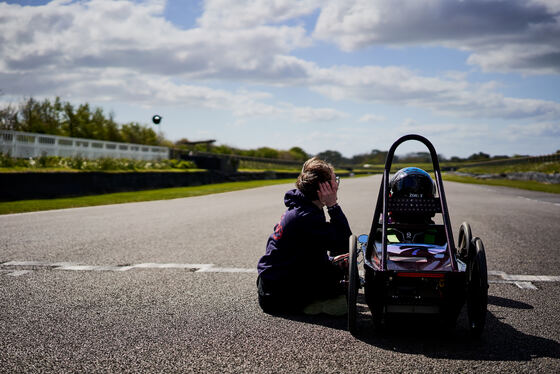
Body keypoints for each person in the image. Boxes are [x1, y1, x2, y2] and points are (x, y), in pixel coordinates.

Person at [257, 157, 352, 315]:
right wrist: (333, 205)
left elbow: (306, 251)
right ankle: (316, 304)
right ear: (324, 188)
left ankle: (317, 300)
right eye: (335, 181)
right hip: (277, 295)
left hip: (271, 286)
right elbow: (345, 241)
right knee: (341, 291)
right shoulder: (306, 216)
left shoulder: (303, 207)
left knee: (336, 267)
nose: (337, 186)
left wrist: (331, 261)